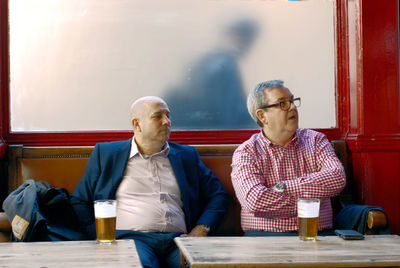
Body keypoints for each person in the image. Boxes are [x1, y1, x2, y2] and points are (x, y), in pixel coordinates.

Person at [70, 96, 229, 268]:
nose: (167, 122)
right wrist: (100, 235)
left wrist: (201, 228)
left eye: (168, 115)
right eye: (157, 116)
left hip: (179, 240)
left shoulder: (187, 156)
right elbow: (79, 201)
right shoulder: (107, 154)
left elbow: (218, 195)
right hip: (132, 240)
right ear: (136, 124)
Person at [231, 80, 346, 236]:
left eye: (292, 101)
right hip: (265, 238)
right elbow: (255, 201)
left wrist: (283, 187)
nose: (292, 107)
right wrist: (313, 200)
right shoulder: (246, 152)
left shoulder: (316, 140)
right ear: (262, 116)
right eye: (282, 103)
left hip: (318, 235)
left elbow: (337, 178)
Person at [163, 17, 259, 129]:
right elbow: (230, 113)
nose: (245, 45)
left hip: (186, 129)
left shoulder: (205, 60)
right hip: (206, 132)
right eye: (242, 38)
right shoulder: (223, 66)